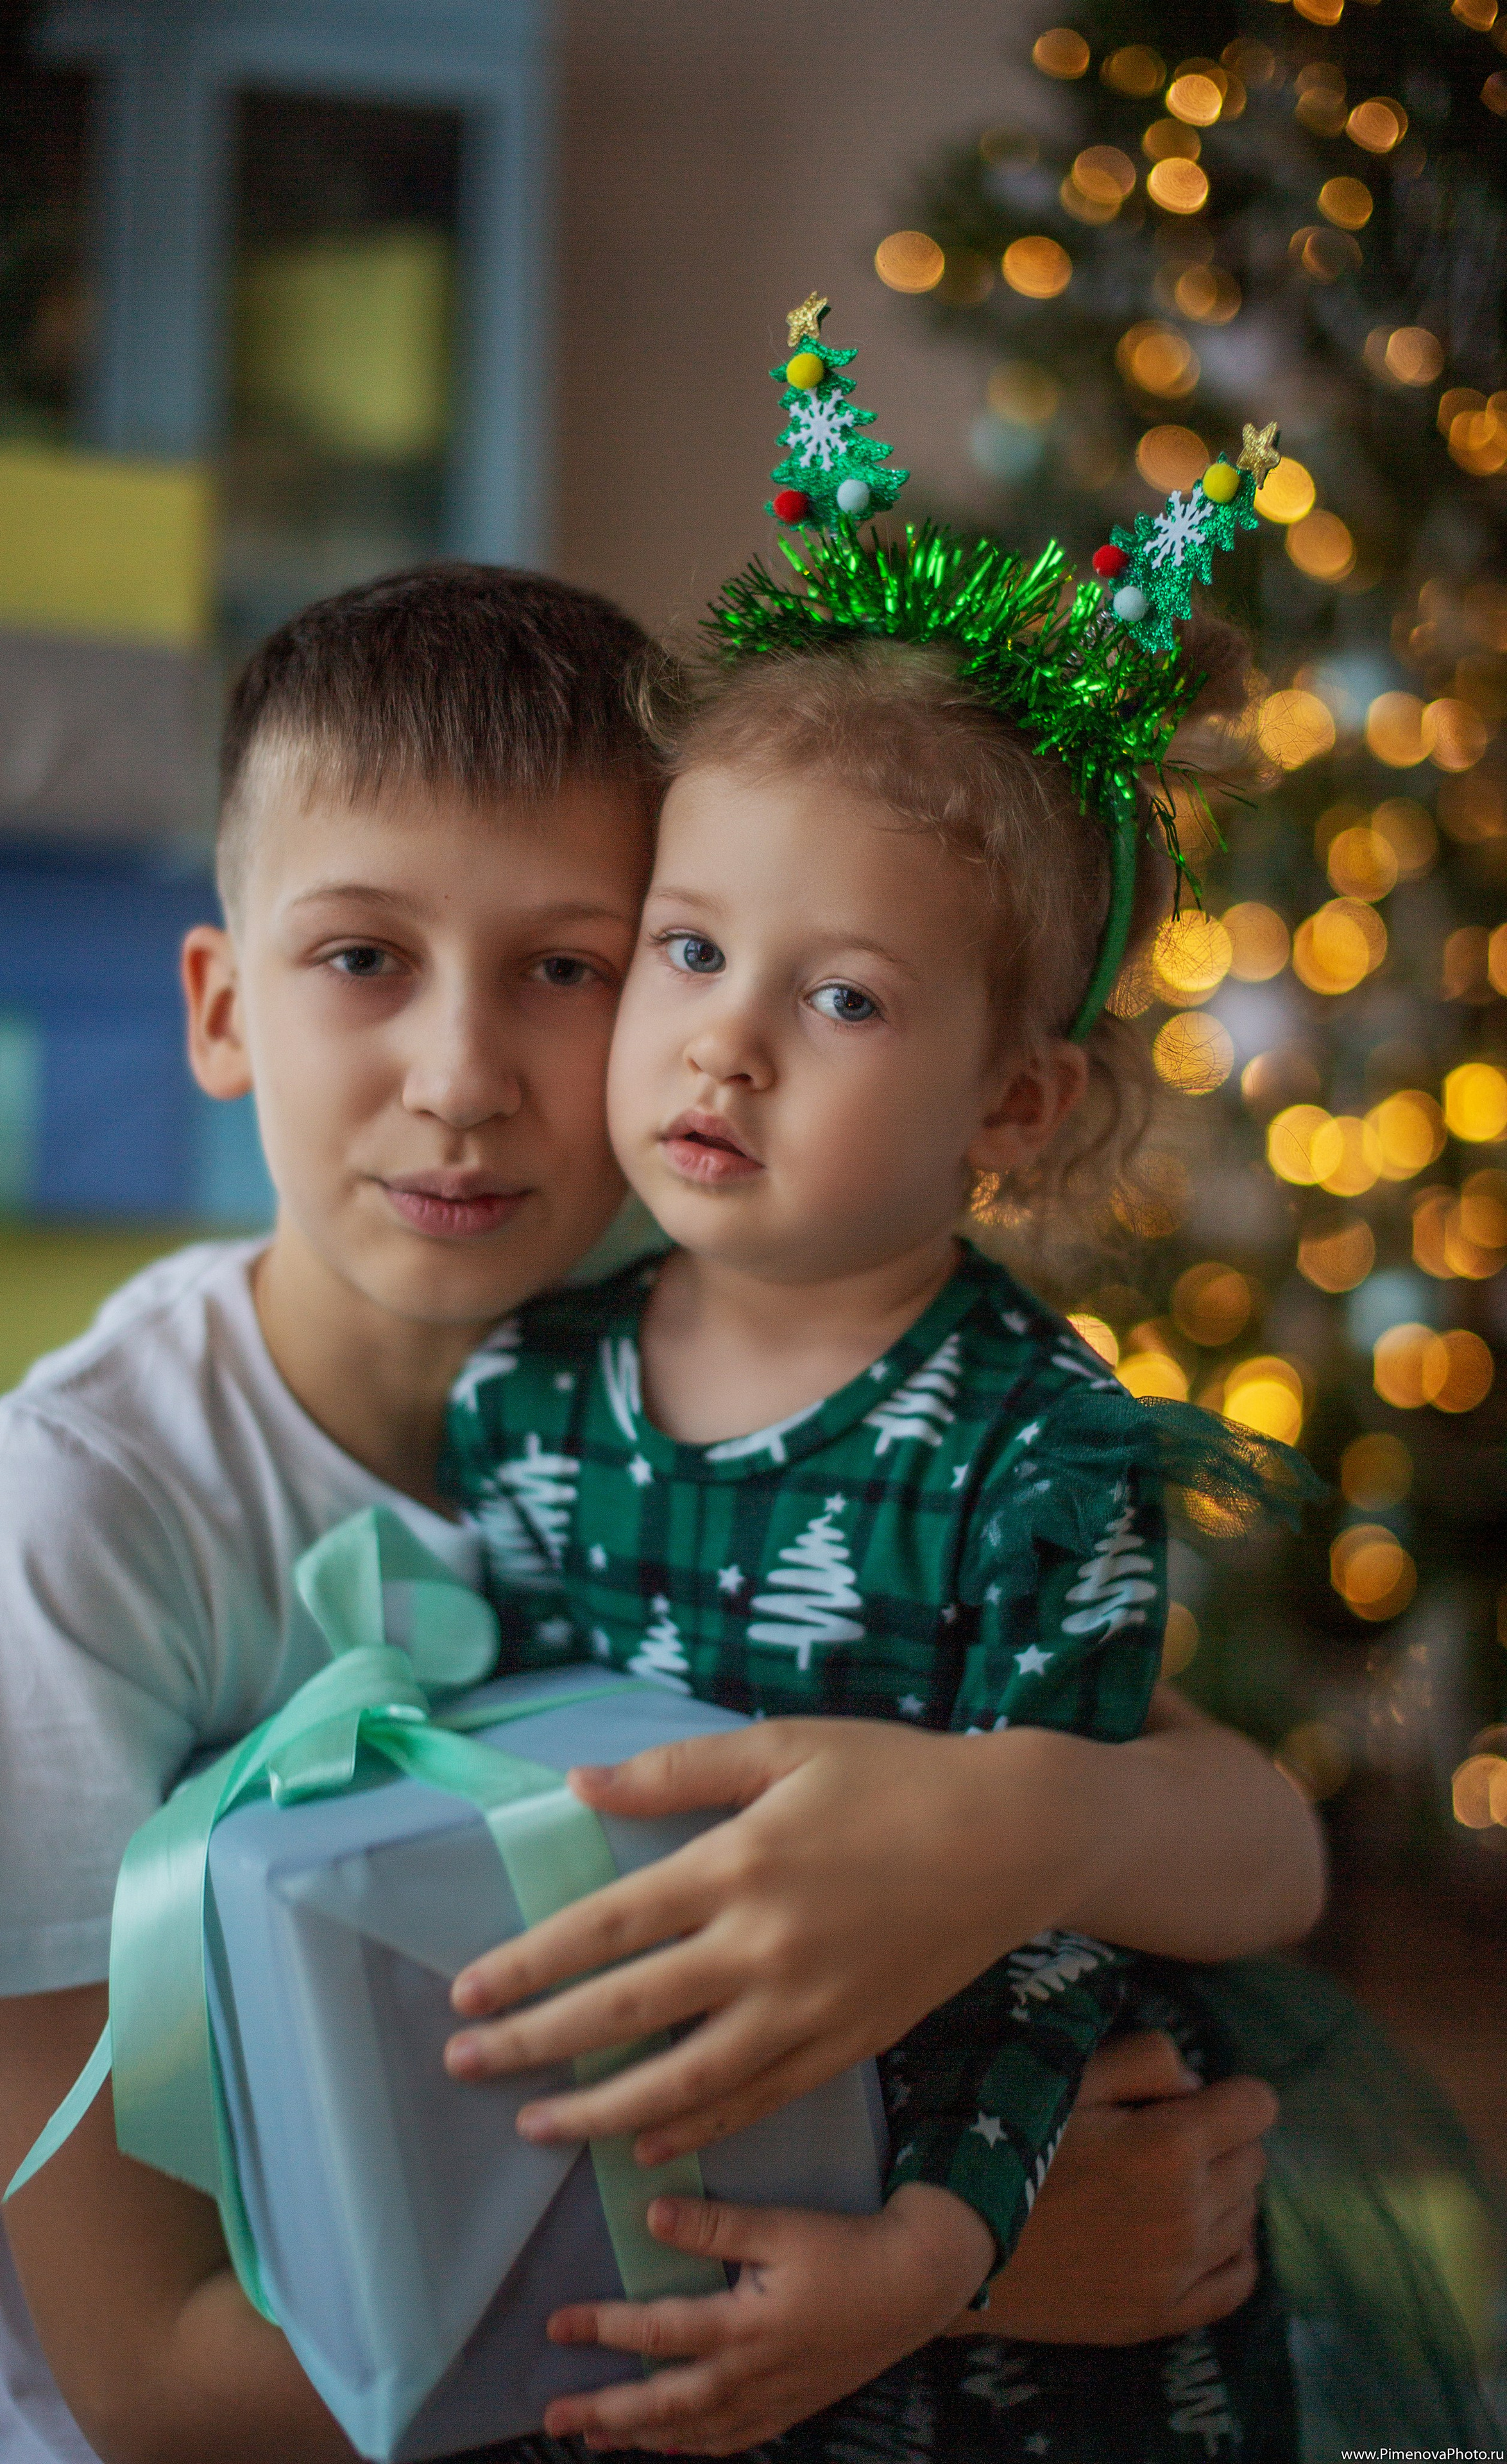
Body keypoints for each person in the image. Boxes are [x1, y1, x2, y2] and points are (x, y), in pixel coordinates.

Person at [0, 567, 1321, 2464]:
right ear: (222, 1010)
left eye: (571, 966)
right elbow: (142, 2381)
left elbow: (1231, 1817)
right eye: (361, 958)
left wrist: (1035, 1820)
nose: (462, 1082)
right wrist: (970, 2274)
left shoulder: (692, 1363)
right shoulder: (70, 1521)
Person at [436, 334, 1318, 2459]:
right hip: (660, 2245)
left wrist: (938, 2255)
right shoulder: (525, 1389)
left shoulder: (1043, 1454)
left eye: (843, 997)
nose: (724, 1047)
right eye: (688, 950)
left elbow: (1057, 1950)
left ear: (1011, 1098)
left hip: (1003, 2306)